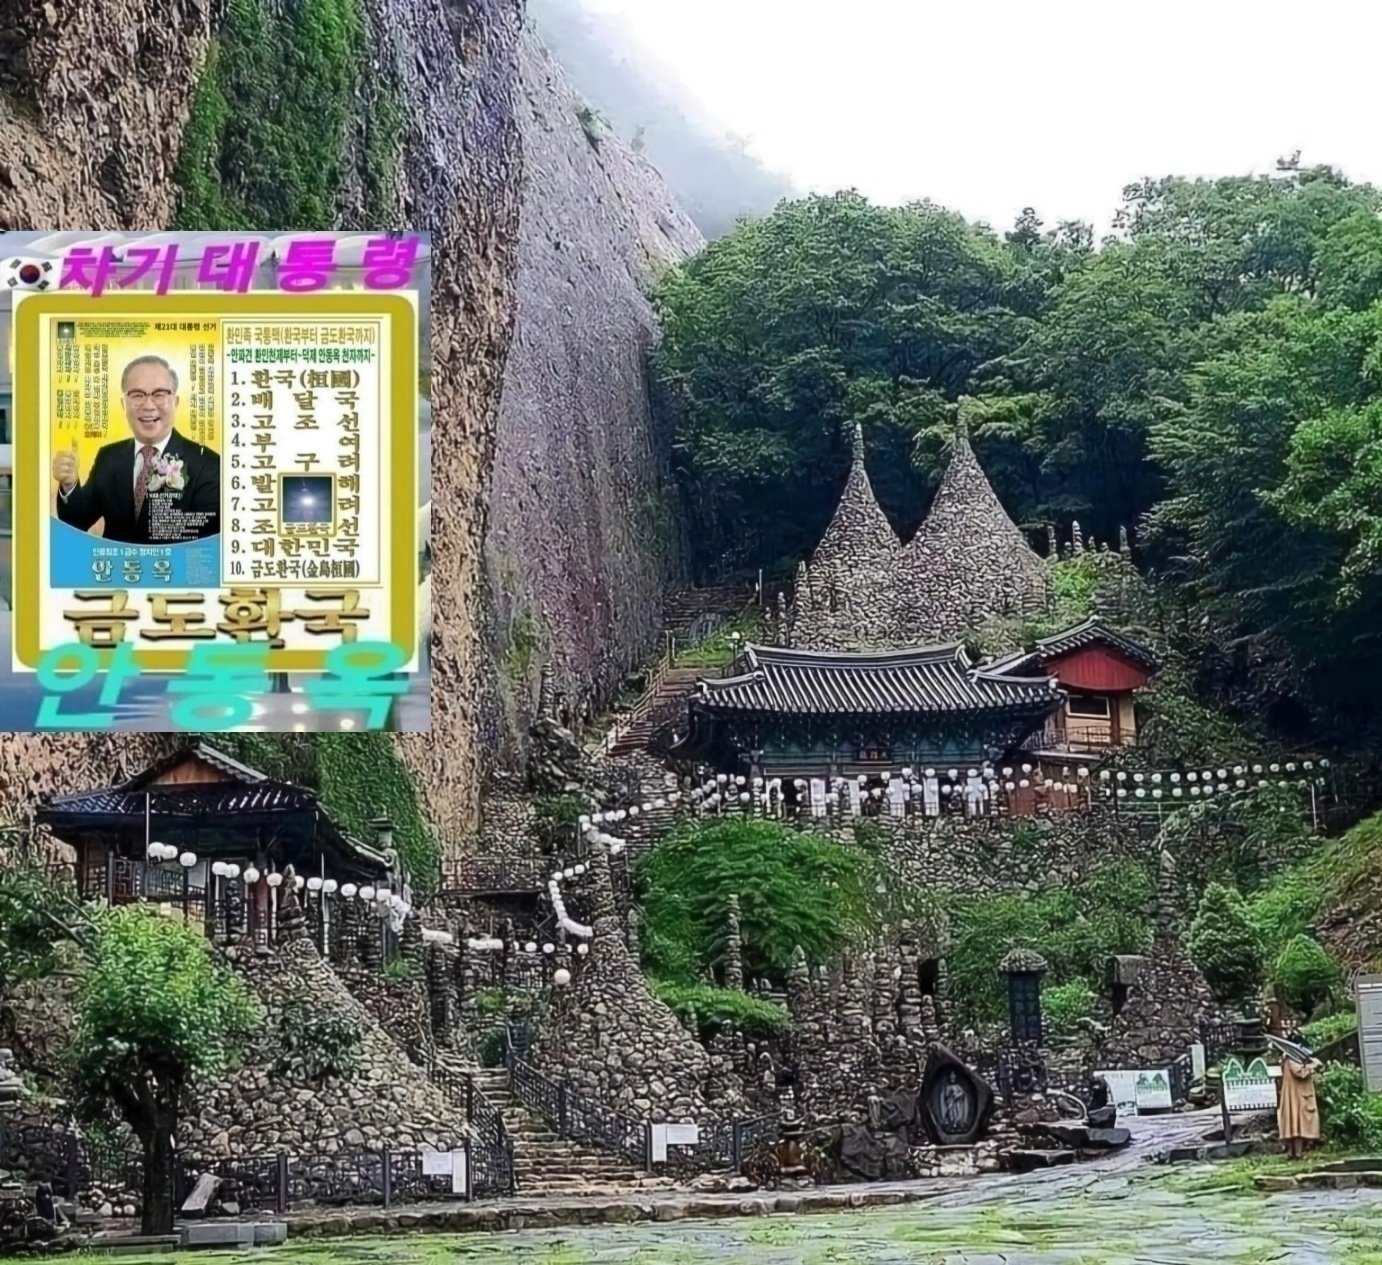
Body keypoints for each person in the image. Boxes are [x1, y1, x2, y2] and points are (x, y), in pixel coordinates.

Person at [51, 355, 219, 544]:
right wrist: (69, 484)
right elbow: (77, 522)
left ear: (176, 402)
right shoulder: (109, 457)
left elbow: (207, 542)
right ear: (123, 403)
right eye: (137, 395)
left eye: (159, 394)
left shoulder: (208, 464)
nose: (148, 406)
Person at [1277, 1050, 1323, 1159]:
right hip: (1297, 1097)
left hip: (1296, 1096)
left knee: (1294, 1125)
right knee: (1297, 1125)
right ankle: (1296, 1153)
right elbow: (1301, 1073)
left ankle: (1294, 1153)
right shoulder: (1292, 1060)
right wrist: (1313, 1065)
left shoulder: (1288, 1059)